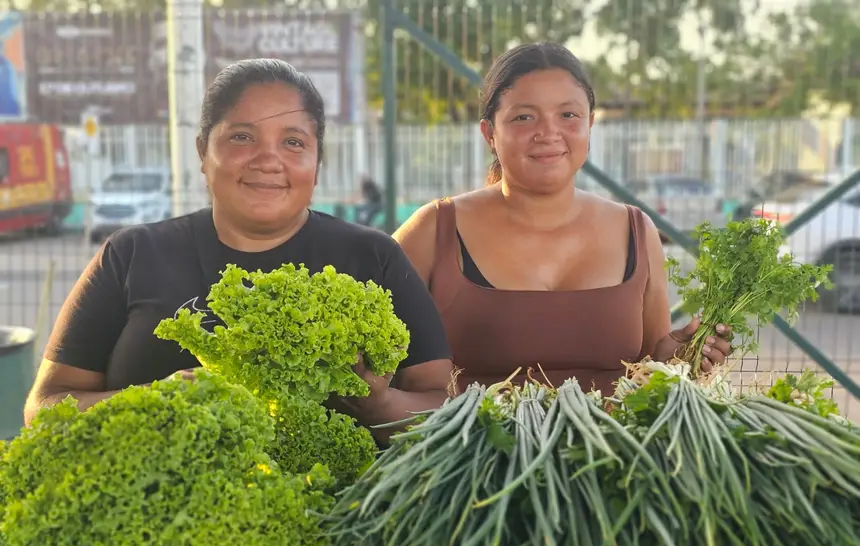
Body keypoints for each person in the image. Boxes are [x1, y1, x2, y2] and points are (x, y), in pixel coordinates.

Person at [25, 58, 453, 444]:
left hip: (333, 521)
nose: (267, 160)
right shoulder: (132, 254)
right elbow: (43, 407)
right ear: (203, 153)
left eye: (293, 142)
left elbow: (441, 400)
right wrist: (155, 401)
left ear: (317, 163)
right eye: (242, 137)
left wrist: (378, 406)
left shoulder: (373, 257)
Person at [393, 42, 733, 396]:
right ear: (489, 134)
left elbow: (649, 368)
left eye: (568, 115)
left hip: (611, 449)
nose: (548, 132)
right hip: (473, 449)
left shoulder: (636, 231)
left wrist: (678, 358)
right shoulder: (435, 230)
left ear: (590, 124)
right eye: (524, 117)